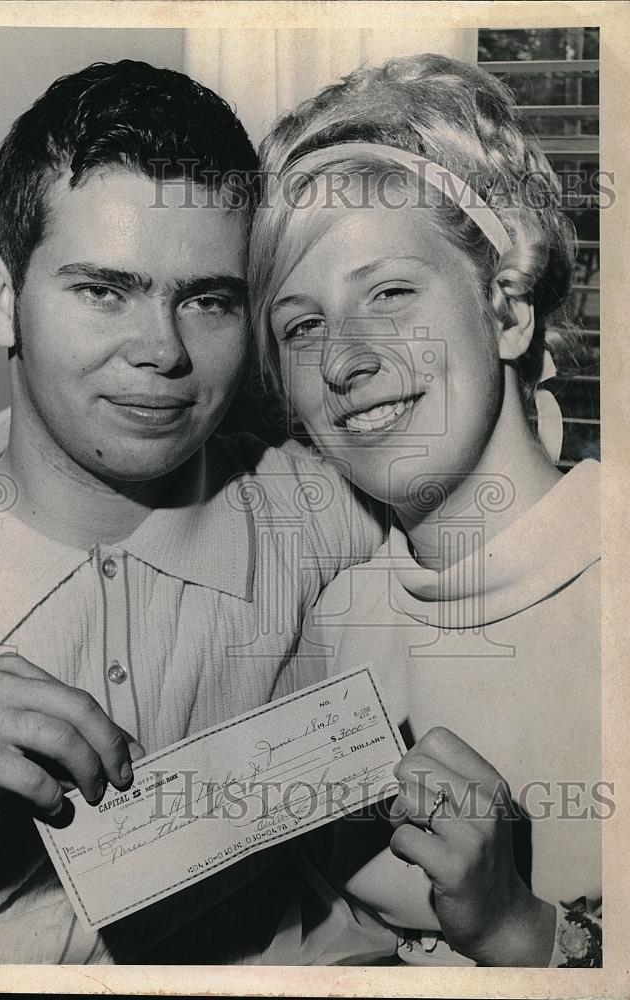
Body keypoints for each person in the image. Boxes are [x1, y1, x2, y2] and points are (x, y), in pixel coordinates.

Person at [0, 59, 391, 965]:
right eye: (102, 291)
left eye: (206, 301)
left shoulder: (326, 506)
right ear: (3, 302)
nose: (161, 350)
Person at [249, 53, 602, 967]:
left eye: (390, 294)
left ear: (510, 310)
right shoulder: (326, 627)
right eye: (302, 326)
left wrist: (522, 932)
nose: (343, 362)